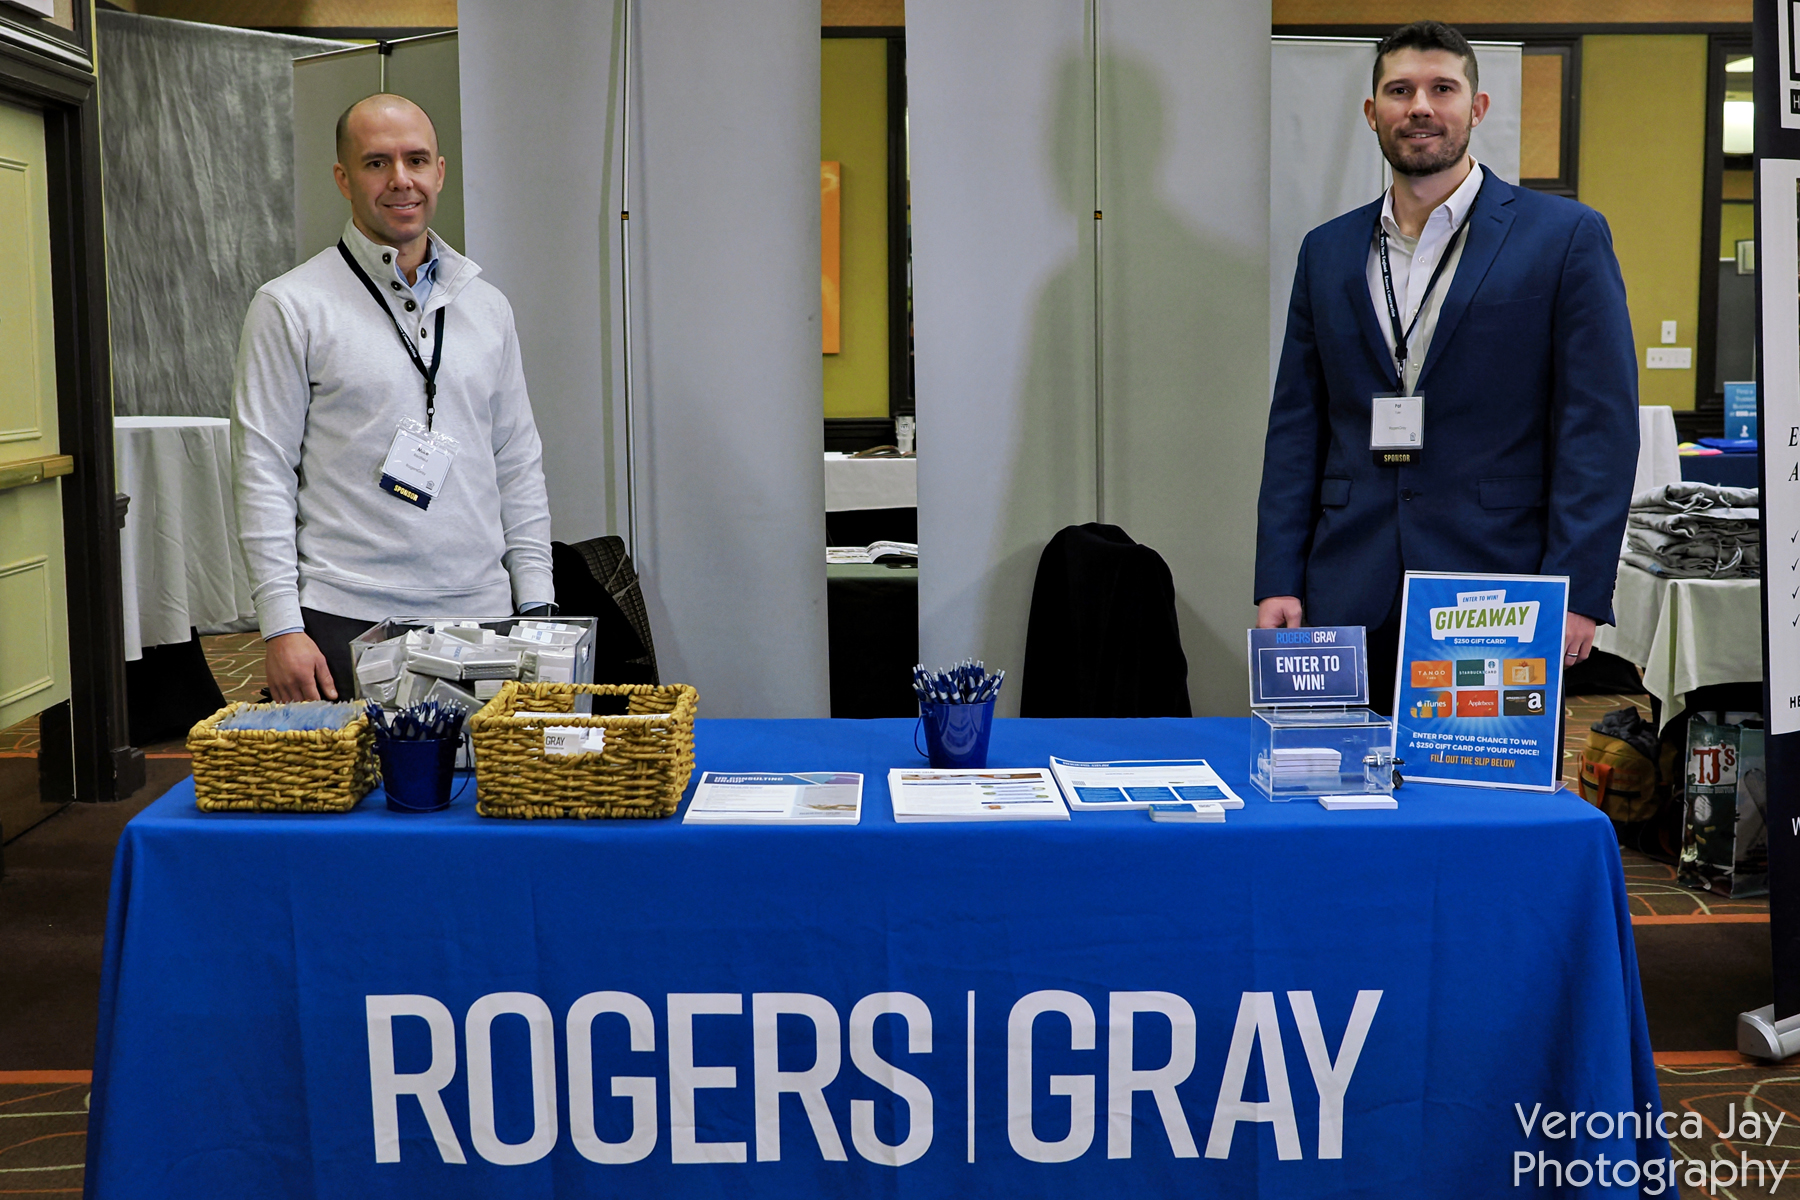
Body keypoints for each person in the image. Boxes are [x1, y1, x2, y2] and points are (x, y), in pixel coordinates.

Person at [1253, 20, 1637, 713]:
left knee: (1481, 780)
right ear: (1372, 112)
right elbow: (1297, 425)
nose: (1420, 107)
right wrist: (1278, 575)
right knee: (1337, 773)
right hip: (1346, 585)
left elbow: (1598, 428)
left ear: (1477, 107)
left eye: (1442, 89)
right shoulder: (1327, 250)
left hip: (1498, 588)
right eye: (1400, 91)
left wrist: (1578, 589)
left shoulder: (1564, 238)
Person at [233, 93, 554, 702]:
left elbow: (517, 460)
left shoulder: (488, 307)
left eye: (416, 159)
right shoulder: (290, 306)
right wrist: (280, 626)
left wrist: (536, 600)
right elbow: (262, 472)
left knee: (486, 770)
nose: (401, 179)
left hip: (485, 614)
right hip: (345, 618)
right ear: (343, 178)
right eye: (377, 162)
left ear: (440, 171)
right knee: (360, 771)